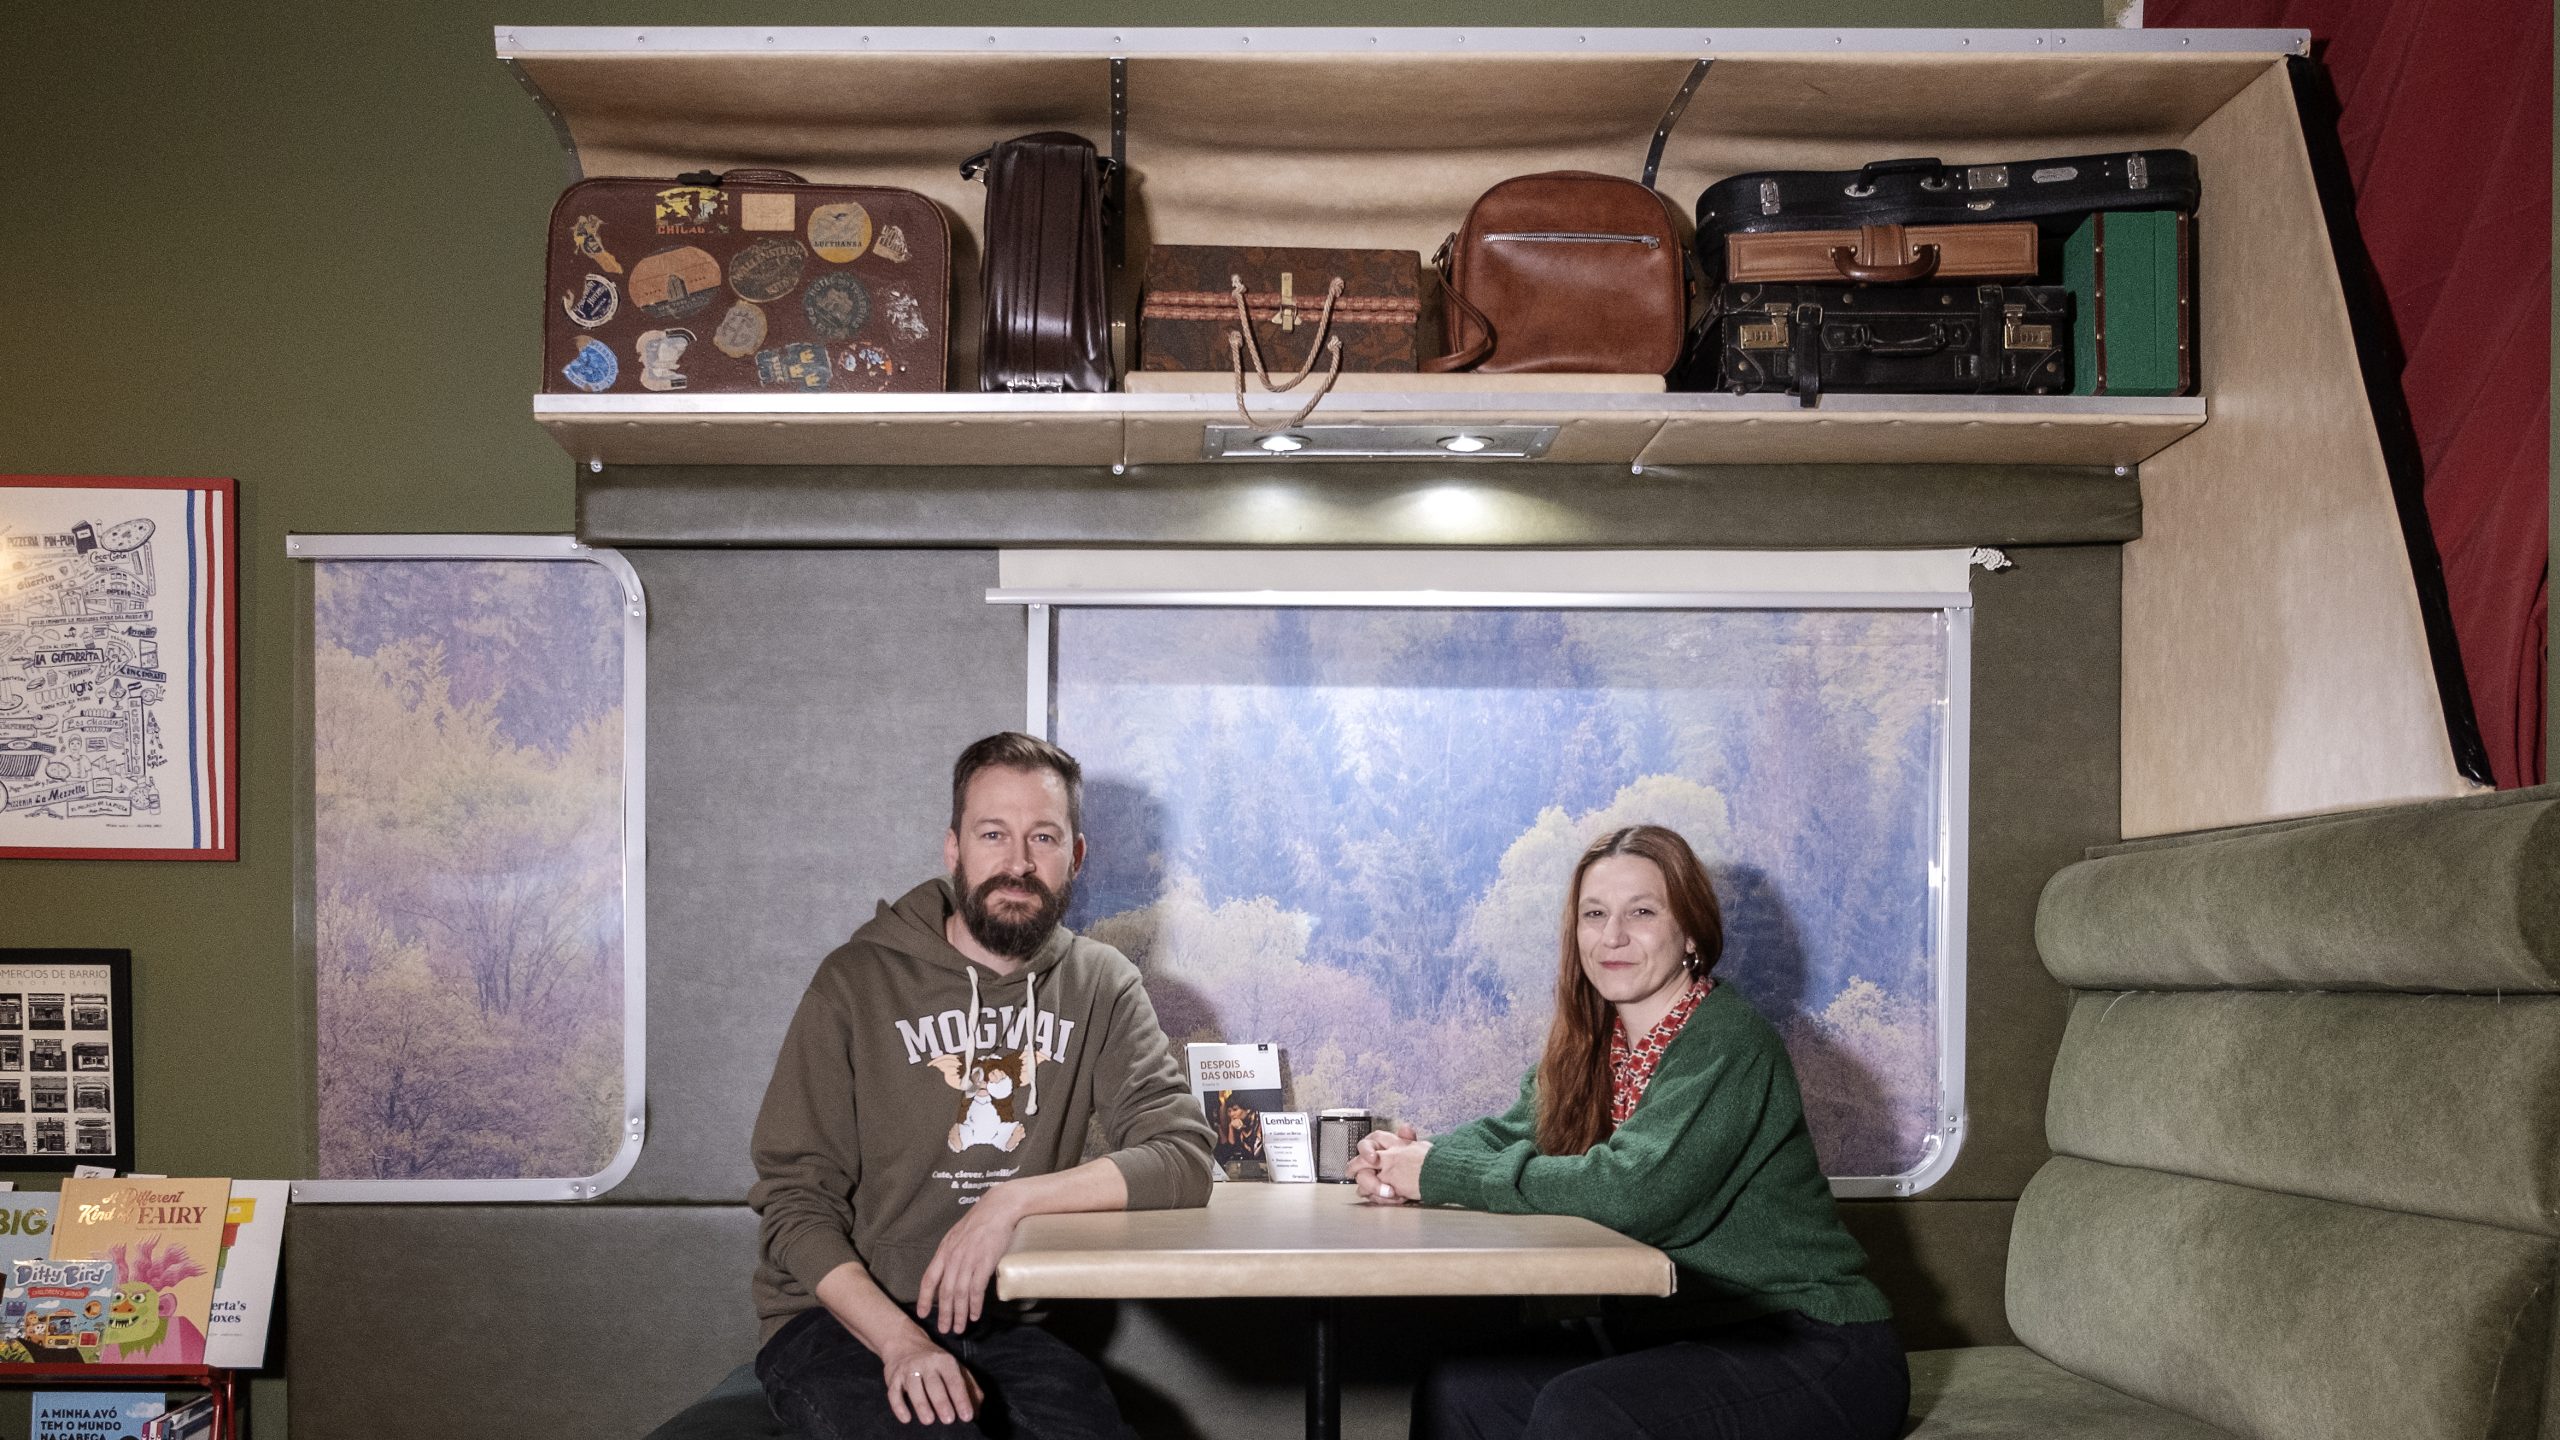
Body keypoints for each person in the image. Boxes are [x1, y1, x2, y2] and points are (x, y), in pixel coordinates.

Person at [1351, 824, 1907, 1440]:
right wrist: (1405, 1159)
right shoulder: (1592, 1047)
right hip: (1672, 1337)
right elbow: (1506, 1135)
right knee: (1460, 1391)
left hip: (1809, 1343)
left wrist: (1436, 1170)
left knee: (1586, 1413)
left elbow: (1631, 1194)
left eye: (1641, 912)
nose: (1612, 936)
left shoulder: (1728, 1042)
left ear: (1691, 931)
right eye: (1595, 914)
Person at [750, 732, 1215, 1438]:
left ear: (1075, 858)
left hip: (1001, 1325)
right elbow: (793, 1205)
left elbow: (1182, 1156)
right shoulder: (856, 981)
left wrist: (1011, 1201)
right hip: (841, 1323)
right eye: (993, 834)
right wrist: (902, 1343)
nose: (1018, 864)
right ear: (953, 848)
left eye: (1044, 838)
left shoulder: (1099, 984)